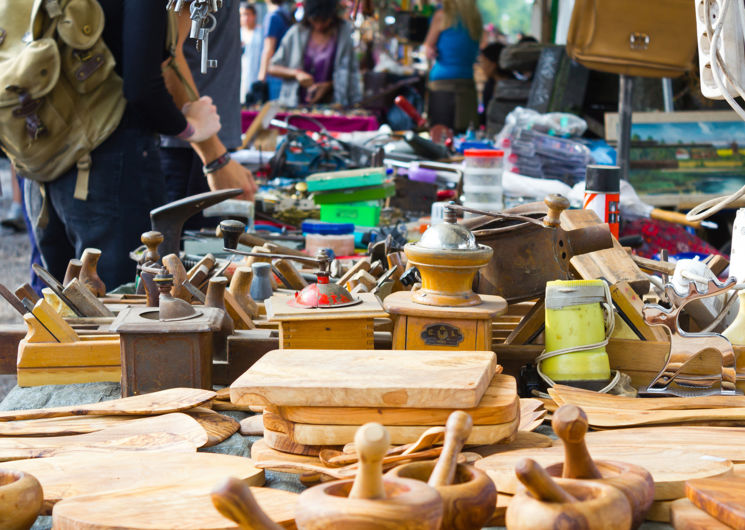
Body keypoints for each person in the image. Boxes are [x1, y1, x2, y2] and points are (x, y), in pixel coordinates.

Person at [24, 1, 220, 290]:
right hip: (110, 167)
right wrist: (189, 127)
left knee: (64, 313)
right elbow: (143, 87)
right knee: (125, 305)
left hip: (43, 162)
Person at [160, 0, 258, 233]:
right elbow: (167, 52)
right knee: (177, 258)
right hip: (190, 149)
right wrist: (215, 157)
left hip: (202, 144)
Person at [268, 0, 361, 107]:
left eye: (324, 20)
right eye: (315, 20)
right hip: (295, 105)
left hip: (333, 106)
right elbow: (271, 67)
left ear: (332, 15)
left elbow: (351, 73)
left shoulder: (343, 34)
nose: (319, 25)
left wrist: (328, 86)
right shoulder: (296, 33)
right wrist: (297, 74)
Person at [423, 0, 482, 132]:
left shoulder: (442, 16)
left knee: (440, 136)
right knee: (465, 134)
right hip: (467, 83)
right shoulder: (475, 18)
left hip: (442, 82)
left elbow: (428, 50)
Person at [256, 0, 295, 101]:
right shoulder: (286, 15)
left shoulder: (272, 17)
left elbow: (269, 49)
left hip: (274, 74)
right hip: (286, 72)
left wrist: (261, 78)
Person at [240, 2, 264, 104]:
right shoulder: (238, 32)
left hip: (257, 77)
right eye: (242, 15)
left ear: (254, 15)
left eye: (247, 14)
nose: (245, 18)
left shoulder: (261, 32)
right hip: (242, 77)